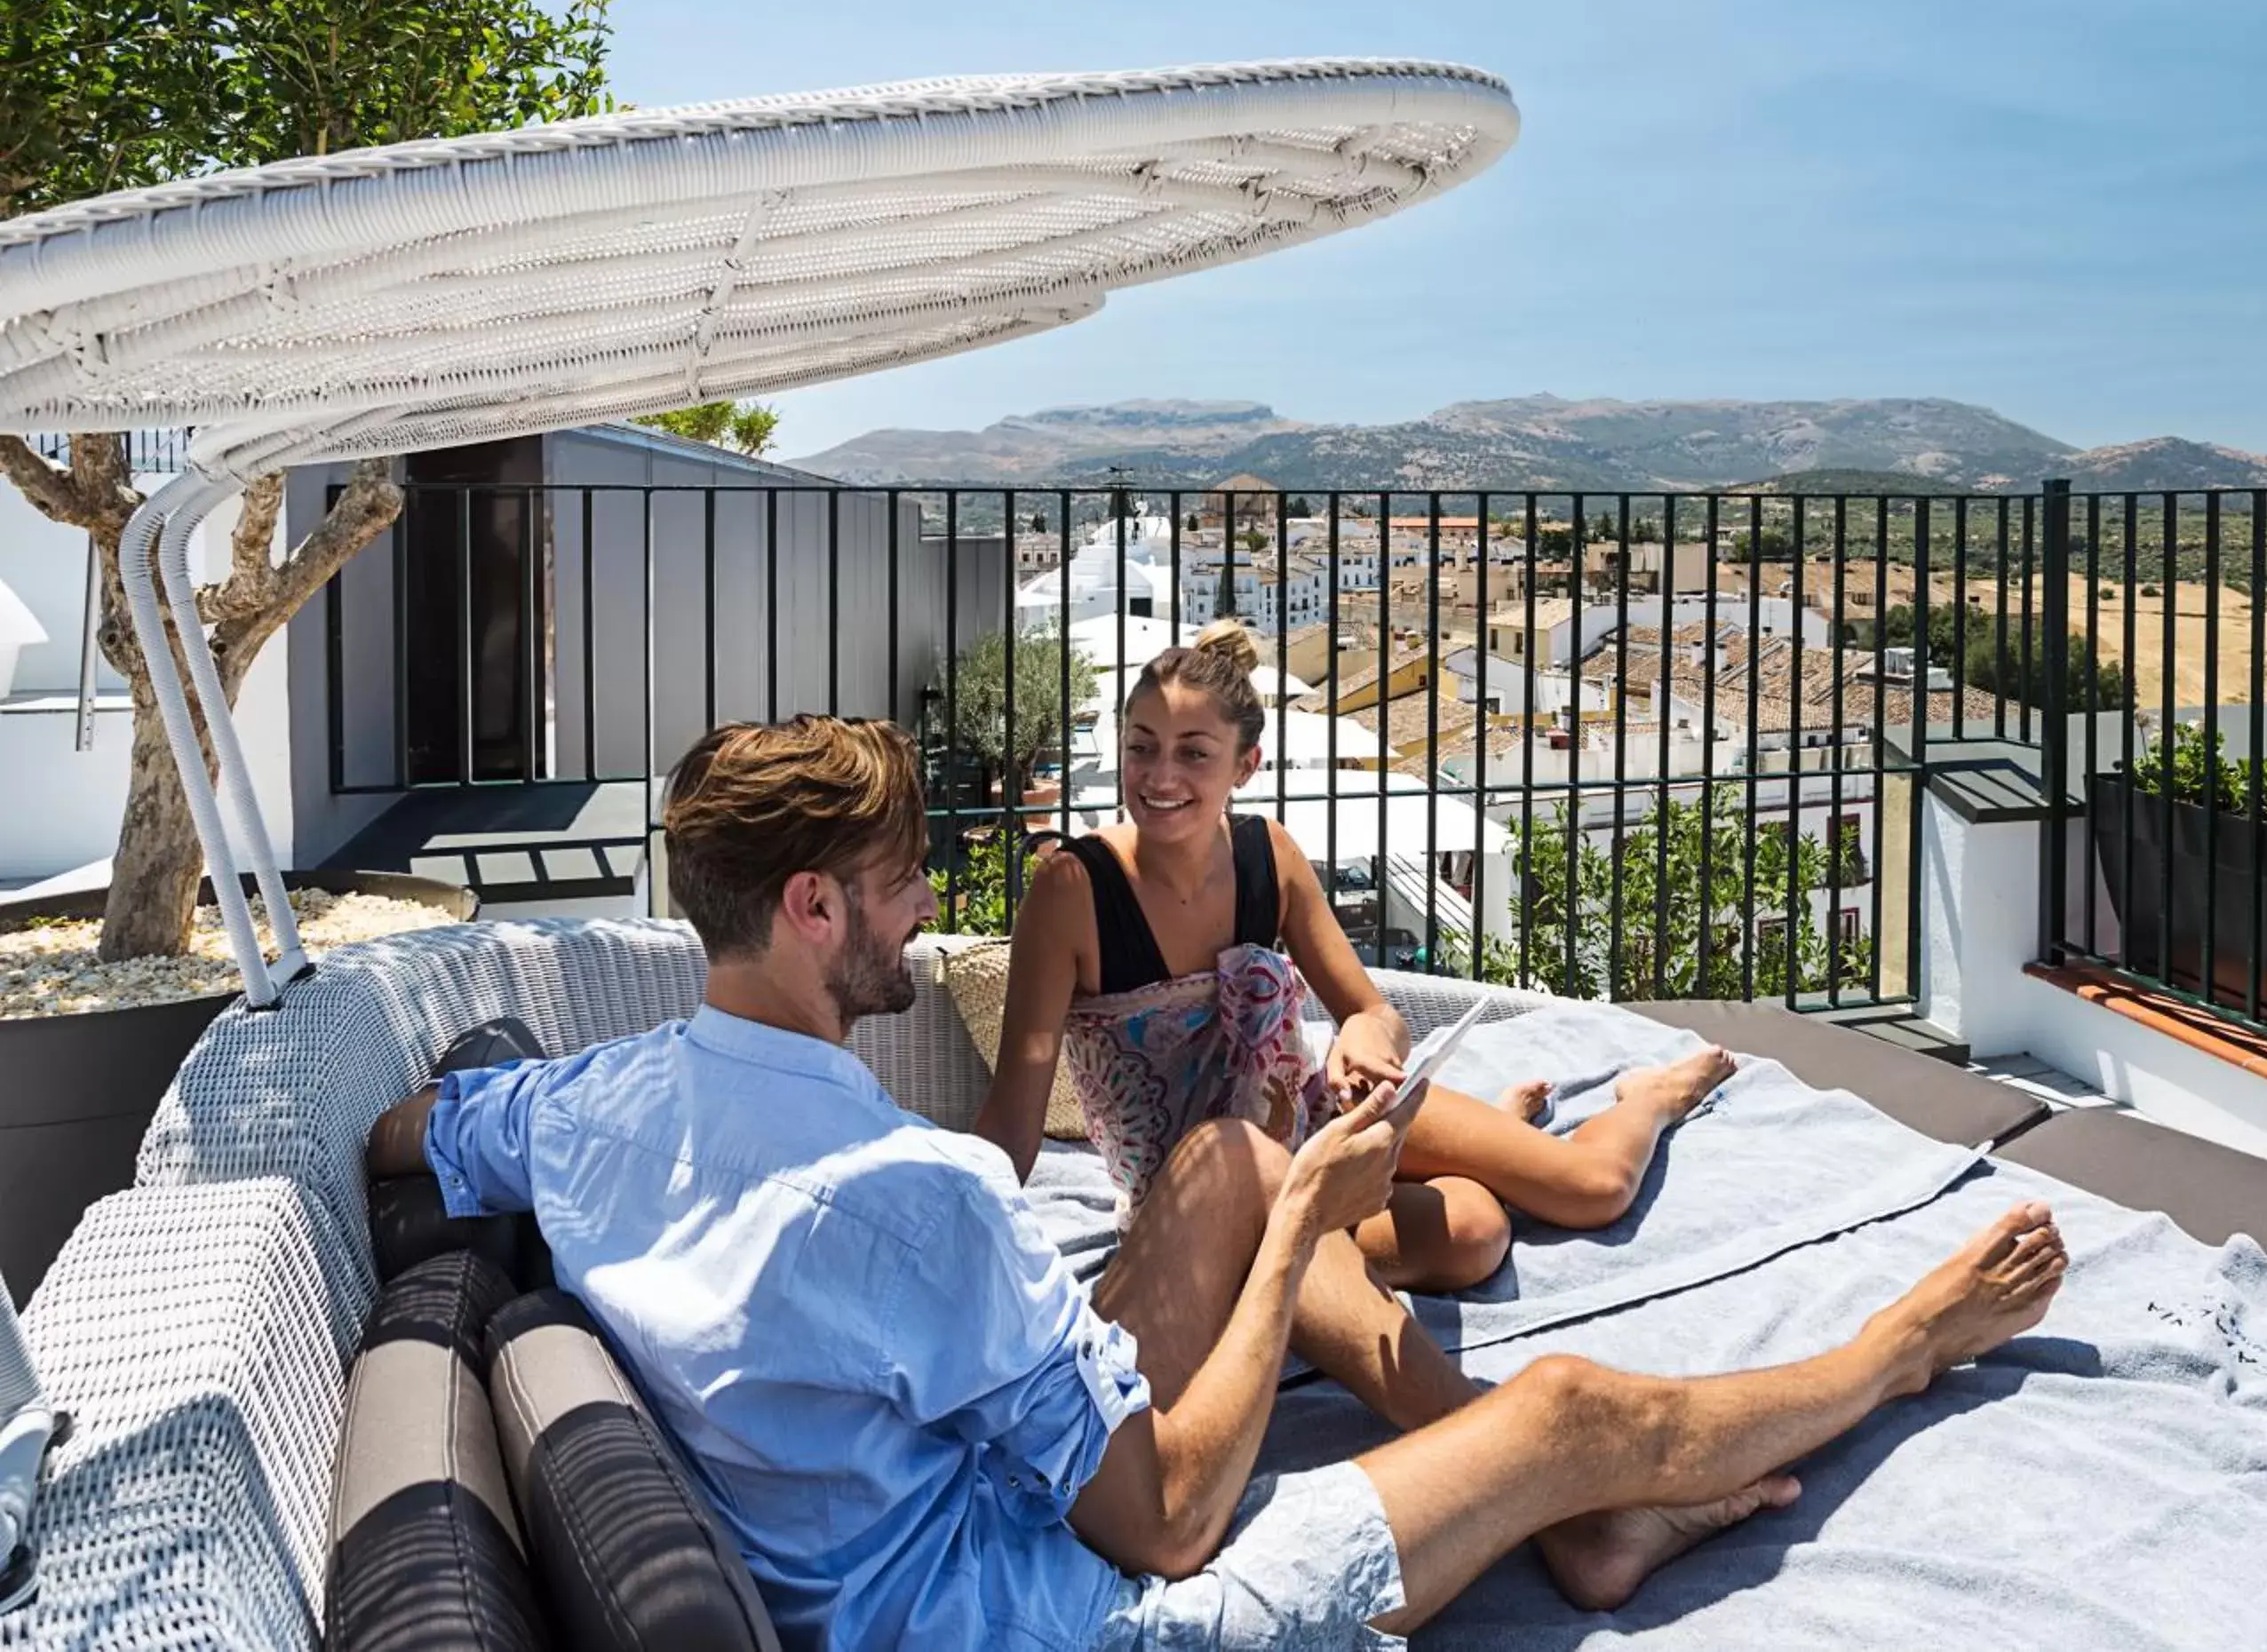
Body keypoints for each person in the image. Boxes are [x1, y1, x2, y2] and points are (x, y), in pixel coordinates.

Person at [367, 713, 2066, 1652]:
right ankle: (1898, 1348)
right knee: (1557, 1402)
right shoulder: (900, 1189)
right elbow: (1170, 1518)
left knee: (1210, 1164)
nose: (920, 906)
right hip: (1068, 1610)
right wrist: (1314, 1226)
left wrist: (1268, 1195)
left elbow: (401, 1129)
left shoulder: (582, 1110)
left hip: (923, 1476)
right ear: (812, 906)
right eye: (896, 885)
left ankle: (1560, 1475)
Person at [977, 620, 1738, 1291]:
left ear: (1245, 767)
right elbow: (1014, 1122)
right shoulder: (1072, 891)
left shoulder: (1266, 856)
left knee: (1595, 1187)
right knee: (1473, 1232)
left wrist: (1361, 1043)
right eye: (1142, 748)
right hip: (1210, 1208)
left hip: (1322, 1118)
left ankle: (1652, 1099)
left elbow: (1371, 1011)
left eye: (1193, 753)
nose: (1161, 777)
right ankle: (1476, 1149)